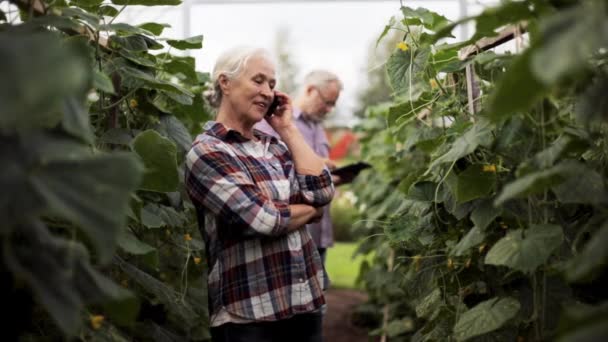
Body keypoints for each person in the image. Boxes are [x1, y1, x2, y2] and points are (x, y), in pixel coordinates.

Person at [185, 46, 335, 342]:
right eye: (258, 80)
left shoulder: (276, 145)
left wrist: (289, 129)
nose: (267, 92)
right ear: (225, 83)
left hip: (304, 303)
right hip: (250, 316)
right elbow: (263, 219)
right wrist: (309, 213)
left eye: (272, 84)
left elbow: (321, 191)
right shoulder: (207, 152)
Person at [255, 70, 343, 288]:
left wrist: (331, 176)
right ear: (311, 90)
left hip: (319, 229)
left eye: (333, 105)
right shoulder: (273, 122)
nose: (329, 109)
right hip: (292, 229)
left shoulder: (318, 127)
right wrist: (318, 169)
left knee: (317, 301)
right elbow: (270, 170)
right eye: (327, 102)